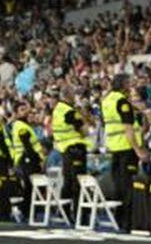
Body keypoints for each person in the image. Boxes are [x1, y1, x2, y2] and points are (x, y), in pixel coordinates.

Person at [102, 73, 147, 232]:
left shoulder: (107, 100)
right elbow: (128, 128)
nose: (130, 85)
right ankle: (128, 222)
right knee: (129, 187)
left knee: (119, 186)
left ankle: (119, 220)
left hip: (114, 148)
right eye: (128, 82)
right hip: (126, 148)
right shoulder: (122, 102)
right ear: (123, 84)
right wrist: (138, 150)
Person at [51, 86, 90, 214]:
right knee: (78, 182)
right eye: (73, 94)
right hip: (75, 149)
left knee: (67, 181)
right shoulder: (69, 112)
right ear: (68, 95)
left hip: (65, 149)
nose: (75, 97)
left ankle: (64, 211)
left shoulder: (57, 110)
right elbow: (85, 130)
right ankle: (80, 213)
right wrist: (83, 116)